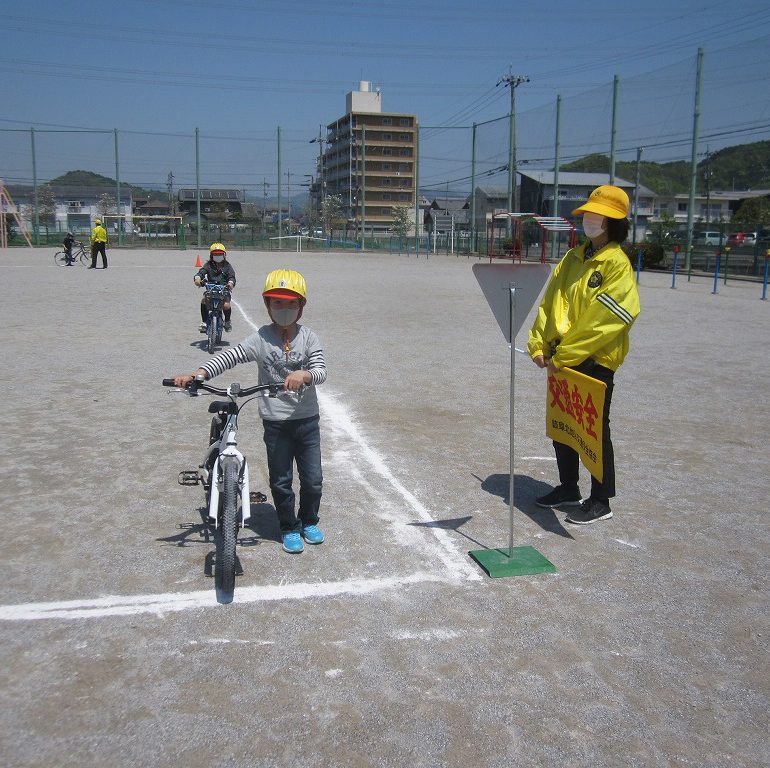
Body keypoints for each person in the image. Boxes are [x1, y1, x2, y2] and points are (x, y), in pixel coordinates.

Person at [174, 268, 327, 554]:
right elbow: (230, 356)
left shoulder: (309, 339)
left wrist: (305, 375)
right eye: (277, 303)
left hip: (307, 421)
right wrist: (201, 372)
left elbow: (321, 371)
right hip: (276, 424)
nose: (284, 308)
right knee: (281, 480)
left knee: (313, 479)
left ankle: (309, 520)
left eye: (291, 303)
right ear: (268, 305)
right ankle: (288, 526)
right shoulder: (261, 338)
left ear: (301, 307)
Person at [527, 184, 641, 524]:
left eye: (595, 214)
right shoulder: (573, 257)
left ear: (610, 221)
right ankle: (567, 487)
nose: (588, 219)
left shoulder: (617, 265)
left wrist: (568, 354)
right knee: (564, 424)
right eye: (587, 214)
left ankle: (601, 499)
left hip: (594, 360)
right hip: (562, 357)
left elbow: (606, 322)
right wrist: (539, 343)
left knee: (593, 428)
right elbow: (551, 303)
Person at [195, 242, 236, 333]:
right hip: (211, 290)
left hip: (224, 290)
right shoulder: (208, 265)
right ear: (211, 255)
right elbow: (201, 272)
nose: (218, 256)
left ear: (224, 255)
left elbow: (232, 276)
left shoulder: (227, 266)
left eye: (220, 254)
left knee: (226, 305)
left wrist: (230, 283)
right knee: (204, 300)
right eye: (216, 254)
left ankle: (227, 321)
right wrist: (198, 278)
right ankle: (204, 322)